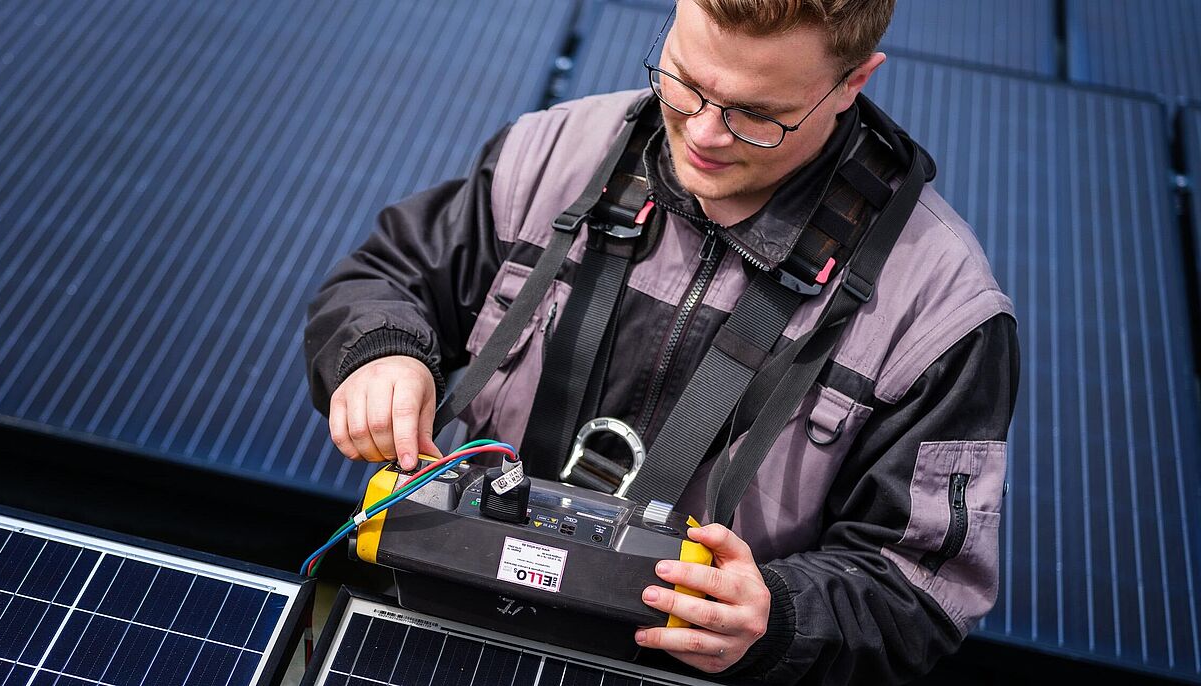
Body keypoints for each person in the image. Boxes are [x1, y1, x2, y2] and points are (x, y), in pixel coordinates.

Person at [303, 0, 1018, 683]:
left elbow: (920, 587)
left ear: (852, 82)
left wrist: (780, 618)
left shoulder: (943, 311)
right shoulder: (552, 152)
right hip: (441, 627)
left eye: (757, 117)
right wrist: (382, 350)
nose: (704, 135)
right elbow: (389, 278)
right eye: (683, 82)